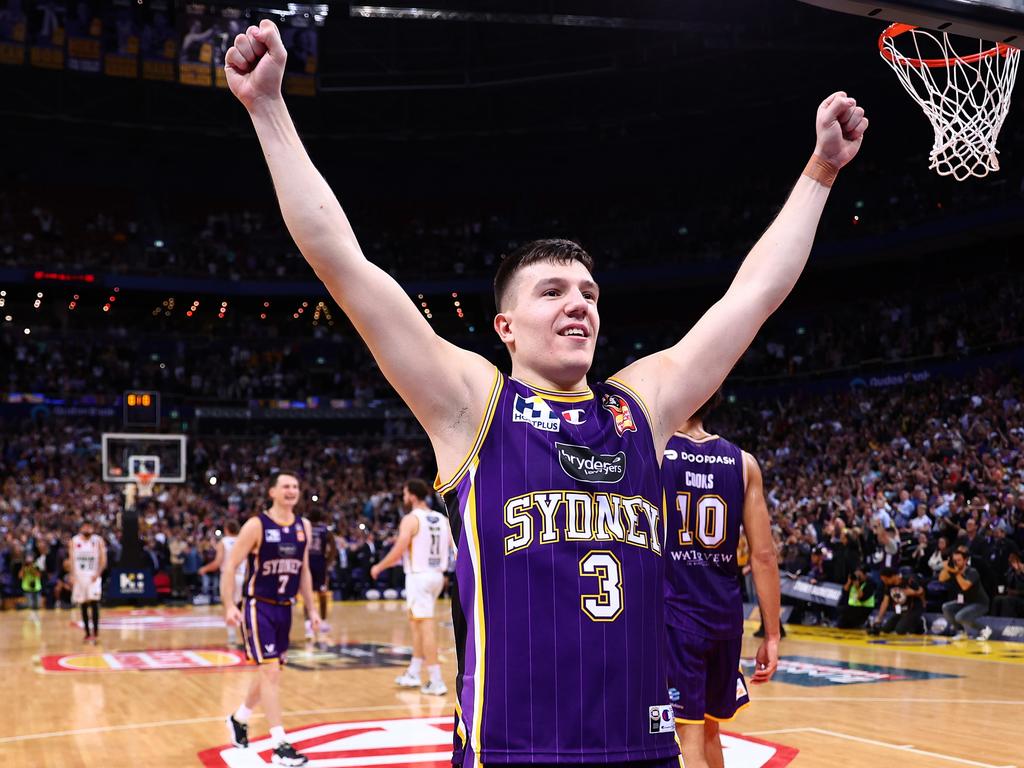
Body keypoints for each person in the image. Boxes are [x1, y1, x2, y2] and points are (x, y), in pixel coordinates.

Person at [224, 21, 867, 765]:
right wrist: (268, 108)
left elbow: (752, 295)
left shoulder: (640, 407)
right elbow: (344, 264)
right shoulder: (471, 406)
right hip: (512, 750)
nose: (579, 304)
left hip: (641, 751)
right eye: (553, 290)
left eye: (590, 293)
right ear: (505, 325)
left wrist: (819, 172)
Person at [662, 393, 781, 768]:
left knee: (688, 732)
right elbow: (764, 556)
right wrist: (773, 635)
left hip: (675, 614)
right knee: (711, 729)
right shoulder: (744, 463)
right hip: (725, 618)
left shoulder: (656, 450)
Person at [222, 472, 320, 767]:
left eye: (295, 486)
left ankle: (239, 718)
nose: (291, 491)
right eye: (286, 486)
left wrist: (312, 610)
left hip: (285, 608)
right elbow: (230, 567)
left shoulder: (304, 527)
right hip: (258, 605)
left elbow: (304, 571)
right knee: (270, 672)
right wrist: (229, 604)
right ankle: (279, 744)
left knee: (272, 671)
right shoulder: (256, 525)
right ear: (272, 492)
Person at [370, 478, 454, 696]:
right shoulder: (442, 518)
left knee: (425, 627)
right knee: (417, 624)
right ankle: (414, 672)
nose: (404, 498)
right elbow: (454, 548)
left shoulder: (410, 519)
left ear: (413, 495)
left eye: (406, 494)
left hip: (419, 575)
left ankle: (436, 680)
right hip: (437, 575)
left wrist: (379, 566)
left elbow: (399, 550)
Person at [198, 518, 245, 646]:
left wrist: (204, 569)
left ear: (226, 530)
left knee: (229, 606)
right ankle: (248, 635)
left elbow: (218, 563)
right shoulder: (244, 540)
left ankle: (231, 637)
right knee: (244, 607)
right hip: (243, 576)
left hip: (228, 577)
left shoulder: (223, 542)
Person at [940, 548, 991, 641]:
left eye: (959, 560)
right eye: (954, 560)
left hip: (980, 603)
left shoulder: (972, 572)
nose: (956, 563)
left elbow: (965, 586)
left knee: (960, 617)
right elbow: (941, 579)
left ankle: (984, 629)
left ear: (966, 560)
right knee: (946, 607)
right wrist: (946, 568)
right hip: (965, 602)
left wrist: (956, 573)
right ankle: (961, 632)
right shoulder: (954, 571)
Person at [69, 518, 106, 644]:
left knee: (94, 603)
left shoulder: (98, 540)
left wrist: (98, 573)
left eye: (89, 527)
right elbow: (71, 560)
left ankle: (95, 632)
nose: (87, 529)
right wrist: (72, 575)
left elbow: (103, 559)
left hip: (93, 576)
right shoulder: (74, 541)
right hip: (80, 577)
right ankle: (87, 633)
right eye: (85, 526)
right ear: (81, 528)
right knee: (83, 605)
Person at [304, 507, 336, 645]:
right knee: (322, 594)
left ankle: (308, 625)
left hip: (307, 564)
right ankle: (322, 622)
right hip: (320, 565)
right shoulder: (325, 531)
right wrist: (328, 562)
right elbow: (333, 548)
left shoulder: (305, 528)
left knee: (308, 595)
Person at [868, 567, 925, 636]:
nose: (884, 582)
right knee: (885, 629)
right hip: (899, 610)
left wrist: (913, 593)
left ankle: (919, 623)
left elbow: (921, 591)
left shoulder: (908, 581)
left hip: (912, 609)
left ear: (892, 577)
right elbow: (885, 602)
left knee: (900, 630)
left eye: (885, 580)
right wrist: (879, 619)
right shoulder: (888, 586)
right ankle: (911, 621)